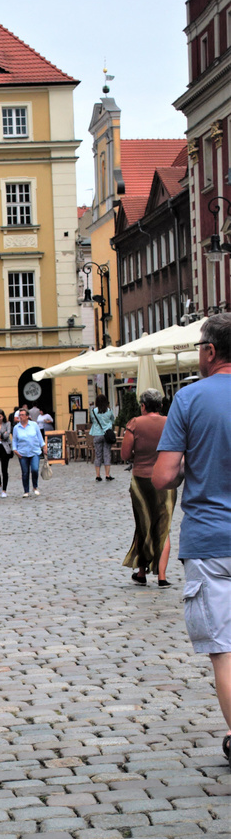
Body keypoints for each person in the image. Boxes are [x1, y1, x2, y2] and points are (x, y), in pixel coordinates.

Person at [153, 313, 231, 766]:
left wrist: (192, 463)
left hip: (210, 541)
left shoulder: (190, 397)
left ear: (209, 351)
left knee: (224, 651)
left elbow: (163, 476)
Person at [121, 388, 176, 588]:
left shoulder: (135, 423)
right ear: (160, 406)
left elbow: (125, 454)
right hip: (166, 478)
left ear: (143, 406)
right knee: (164, 525)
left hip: (141, 479)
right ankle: (162, 576)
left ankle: (142, 572)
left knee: (143, 523)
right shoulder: (170, 422)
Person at [12, 407, 45, 497]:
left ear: (27, 416)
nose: (20, 417)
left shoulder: (34, 425)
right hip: (22, 453)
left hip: (34, 451)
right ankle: (26, 490)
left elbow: (39, 436)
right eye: (19, 415)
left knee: (34, 469)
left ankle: (35, 487)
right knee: (25, 472)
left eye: (22, 415)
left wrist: (43, 446)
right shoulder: (16, 428)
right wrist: (15, 450)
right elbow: (14, 440)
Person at [90, 394, 115, 481]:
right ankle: (107, 475)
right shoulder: (109, 410)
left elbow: (92, 420)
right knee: (107, 454)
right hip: (107, 434)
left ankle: (98, 475)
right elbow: (113, 420)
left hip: (97, 434)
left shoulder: (93, 411)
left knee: (98, 455)